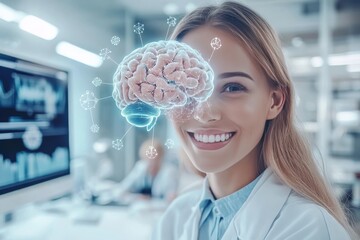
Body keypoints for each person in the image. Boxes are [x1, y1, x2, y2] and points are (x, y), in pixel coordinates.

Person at [153, 1, 357, 239]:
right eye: (186, 87)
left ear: (275, 101)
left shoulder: (308, 229)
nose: (204, 112)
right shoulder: (175, 216)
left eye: (232, 87)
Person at [114, 138, 179, 201]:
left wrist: (171, 197)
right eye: (148, 157)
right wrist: (137, 197)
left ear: (161, 156)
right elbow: (120, 191)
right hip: (141, 208)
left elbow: (171, 197)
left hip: (160, 209)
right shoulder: (140, 167)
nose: (152, 161)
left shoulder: (169, 171)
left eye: (155, 158)